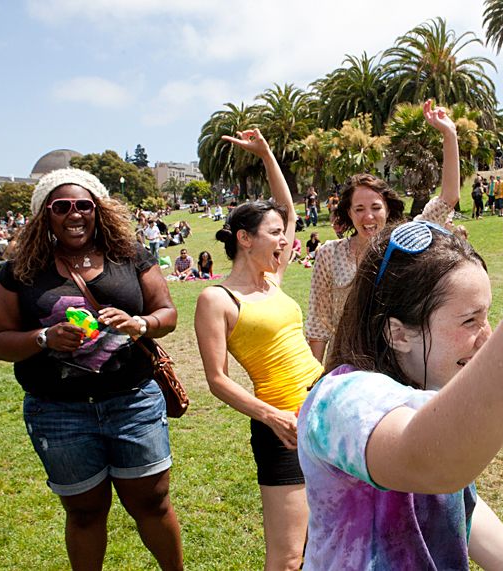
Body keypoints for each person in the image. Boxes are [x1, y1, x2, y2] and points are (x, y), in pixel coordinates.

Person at [297, 159, 503, 570]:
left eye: (486, 316)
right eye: (469, 320)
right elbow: (433, 463)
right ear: (398, 333)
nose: (487, 336)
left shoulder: (430, 391)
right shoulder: (339, 400)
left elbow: (456, 501)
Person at [0, 168, 183, 569]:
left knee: (153, 504)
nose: (74, 214)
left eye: (83, 205)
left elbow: (167, 313)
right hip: (58, 412)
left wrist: (139, 323)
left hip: (132, 403)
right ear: (45, 213)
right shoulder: (21, 268)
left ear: (98, 210)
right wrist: (44, 338)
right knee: (84, 514)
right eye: (61, 206)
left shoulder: (129, 254)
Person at [194, 129, 323, 571]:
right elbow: (217, 380)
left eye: (283, 235)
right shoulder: (217, 299)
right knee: (287, 557)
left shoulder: (273, 279)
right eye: (274, 234)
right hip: (282, 428)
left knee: (330, 539)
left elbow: (287, 210)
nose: (285, 240)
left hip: (324, 411)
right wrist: (272, 417)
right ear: (245, 239)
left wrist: (267, 154)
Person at [306, 100, 461, 365]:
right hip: (345, 366)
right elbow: (318, 326)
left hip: (396, 366)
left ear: (388, 209)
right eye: (359, 209)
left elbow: (448, 198)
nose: (368, 217)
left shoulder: (405, 242)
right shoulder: (329, 255)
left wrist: (449, 134)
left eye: (376, 207)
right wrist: (315, 379)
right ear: (349, 213)